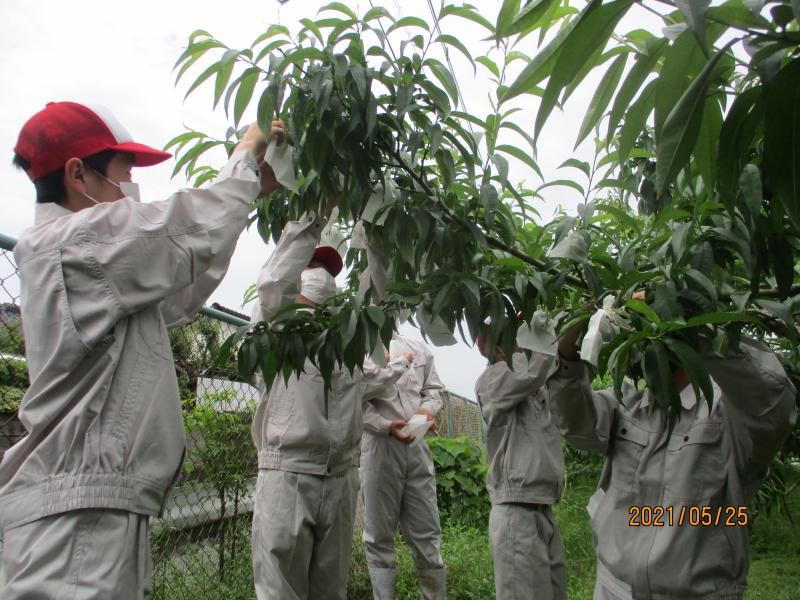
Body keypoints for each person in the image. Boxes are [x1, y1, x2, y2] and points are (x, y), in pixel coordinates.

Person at [0, 100, 285, 599]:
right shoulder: (75, 241)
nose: (131, 188)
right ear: (77, 175)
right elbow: (189, 228)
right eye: (123, 173)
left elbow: (182, 283)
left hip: (90, 509)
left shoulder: (85, 259)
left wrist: (244, 196)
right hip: (75, 523)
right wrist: (245, 151)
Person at [548, 314, 797, 600]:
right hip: (614, 588)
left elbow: (772, 399)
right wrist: (567, 353)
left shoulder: (729, 415)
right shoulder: (629, 403)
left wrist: (692, 321)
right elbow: (574, 421)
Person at [249, 211, 414, 600]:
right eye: (311, 264)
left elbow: (380, 303)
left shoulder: (344, 339)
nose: (321, 274)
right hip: (289, 473)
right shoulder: (275, 326)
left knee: (331, 592)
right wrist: (315, 211)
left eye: (327, 269)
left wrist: (376, 225)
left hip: (340, 478)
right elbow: (273, 285)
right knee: (280, 592)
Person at [357, 242, 447, 600]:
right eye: (380, 300)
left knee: (427, 532)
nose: (386, 307)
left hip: (417, 448)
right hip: (379, 449)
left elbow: (434, 390)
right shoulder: (360, 350)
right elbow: (353, 400)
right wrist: (384, 426)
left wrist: (427, 412)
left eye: (392, 301)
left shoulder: (419, 348)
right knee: (378, 536)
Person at [474, 335, 566, 600]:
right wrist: (554, 334)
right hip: (517, 513)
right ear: (499, 350)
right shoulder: (493, 380)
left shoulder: (533, 385)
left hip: (543, 508)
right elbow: (535, 368)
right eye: (519, 338)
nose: (527, 344)